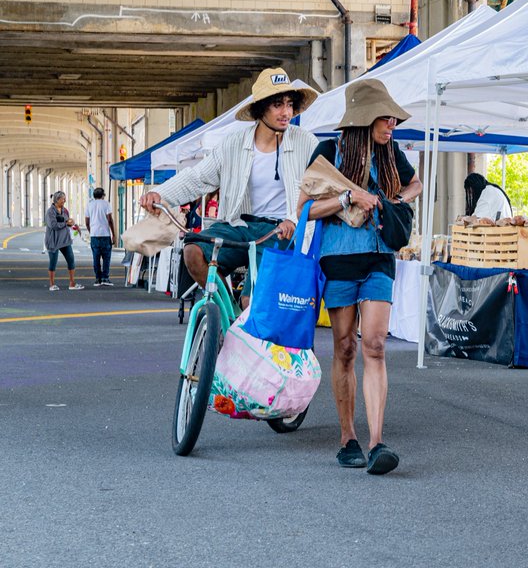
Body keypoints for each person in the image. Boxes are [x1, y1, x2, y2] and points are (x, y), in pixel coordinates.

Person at [299, 78, 422, 476]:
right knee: (344, 348)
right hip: (338, 261)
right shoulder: (330, 151)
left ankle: (376, 442)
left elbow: (415, 182)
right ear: (365, 118)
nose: (392, 126)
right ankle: (347, 437)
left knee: (374, 345)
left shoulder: (391, 153)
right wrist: (349, 198)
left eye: (393, 119)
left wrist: (395, 200)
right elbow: (305, 208)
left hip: (379, 258)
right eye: (386, 119)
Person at [139, 67, 320, 292]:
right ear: (260, 109)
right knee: (193, 251)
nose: (286, 112)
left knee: (253, 299)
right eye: (278, 105)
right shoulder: (234, 143)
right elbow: (197, 177)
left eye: (290, 104)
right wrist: (161, 194)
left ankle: (243, 316)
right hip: (240, 224)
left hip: (280, 230)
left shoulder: (307, 142)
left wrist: (293, 220)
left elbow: (319, 190)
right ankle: (228, 311)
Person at [45, 191, 83, 291]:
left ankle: (72, 283)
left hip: (65, 240)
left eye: (65, 198)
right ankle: (52, 284)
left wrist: (74, 225)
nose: (65, 200)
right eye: (63, 199)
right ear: (57, 200)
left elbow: (68, 221)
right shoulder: (50, 212)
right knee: (53, 262)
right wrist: (66, 223)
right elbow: (53, 225)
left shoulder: (64, 210)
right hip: (53, 240)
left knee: (71, 260)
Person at [85, 187, 115, 287]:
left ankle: (98, 279)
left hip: (94, 235)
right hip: (105, 235)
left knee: (96, 257)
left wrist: (91, 231)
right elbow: (110, 220)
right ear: (103, 195)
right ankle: (105, 278)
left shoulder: (89, 205)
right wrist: (113, 234)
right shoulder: (106, 204)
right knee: (106, 258)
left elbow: (87, 222)